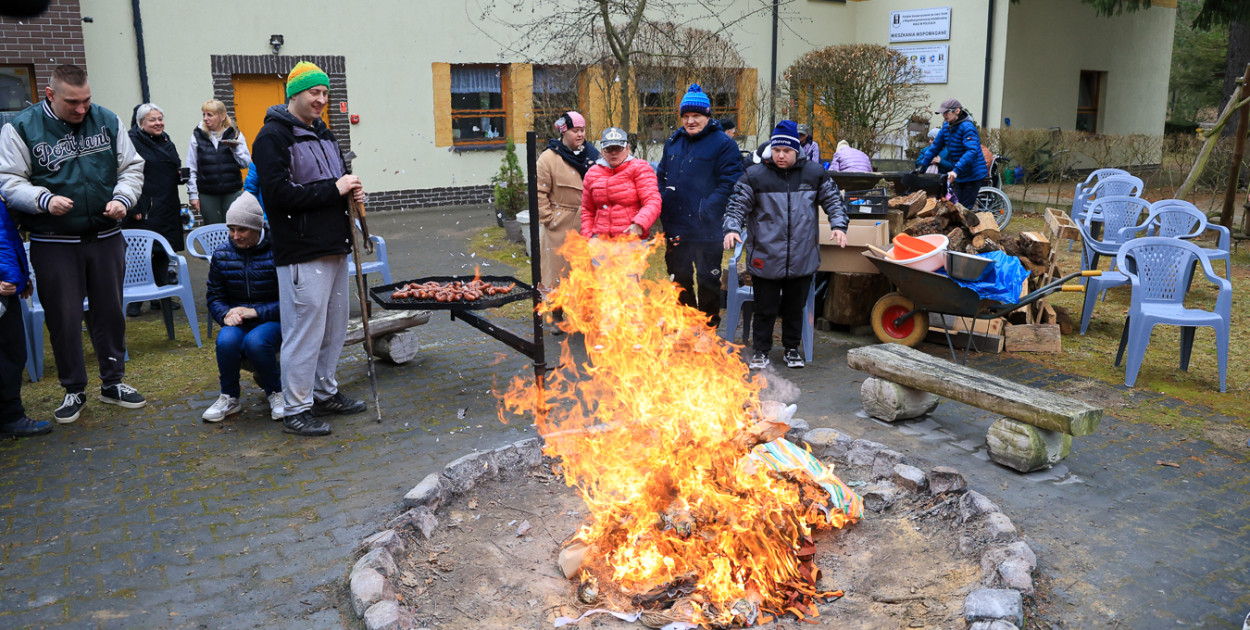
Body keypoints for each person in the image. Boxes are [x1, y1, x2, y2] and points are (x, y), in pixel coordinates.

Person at [0, 64, 147, 424]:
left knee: (110, 312)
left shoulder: (107, 119)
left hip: (106, 235)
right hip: (54, 240)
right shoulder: (20, 127)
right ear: (50, 95)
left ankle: (113, 382)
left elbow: (132, 167)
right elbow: (8, 179)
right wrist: (42, 199)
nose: (81, 110)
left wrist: (123, 198)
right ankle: (73, 388)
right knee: (63, 317)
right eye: (72, 103)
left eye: (86, 101)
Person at [252, 60, 367, 437]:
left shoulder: (325, 134)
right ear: (294, 94)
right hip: (301, 250)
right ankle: (296, 409)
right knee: (303, 331)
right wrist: (333, 190)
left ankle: (323, 392)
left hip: (335, 245)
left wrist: (350, 190)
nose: (320, 100)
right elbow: (278, 195)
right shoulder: (272, 137)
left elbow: (333, 183)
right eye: (313, 93)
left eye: (324, 93)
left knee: (333, 328)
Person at [723, 120, 848, 370]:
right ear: (771, 149)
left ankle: (792, 348)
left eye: (787, 151)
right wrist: (732, 228)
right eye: (777, 150)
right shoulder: (754, 176)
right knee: (765, 308)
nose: (781, 155)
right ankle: (761, 350)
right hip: (766, 255)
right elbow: (736, 205)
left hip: (803, 255)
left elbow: (834, 200)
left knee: (794, 307)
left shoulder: (814, 173)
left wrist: (838, 225)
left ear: (797, 151)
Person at [657, 84, 744, 328]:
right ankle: (689, 324)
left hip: (707, 228)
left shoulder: (724, 144)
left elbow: (730, 183)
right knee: (679, 279)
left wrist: (705, 209)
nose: (690, 121)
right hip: (676, 226)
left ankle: (708, 328)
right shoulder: (673, 141)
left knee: (708, 281)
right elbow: (661, 175)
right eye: (685, 116)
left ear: (707, 116)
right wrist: (665, 200)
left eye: (696, 116)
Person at [203, 192, 283, 423]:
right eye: (231, 229)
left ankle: (276, 393)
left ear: (257, 228)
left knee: (256, 342)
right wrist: (224, 314)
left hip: (274, 319)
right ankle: (229, 397)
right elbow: (214, 295)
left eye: (242, 230)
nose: (235, 236)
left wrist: (256, 312)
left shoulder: (277, 251)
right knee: (226, 340)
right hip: (239, 319)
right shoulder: (222, 254)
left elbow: (292, 297)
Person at [124, 103, 186, 317]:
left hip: (167, 203)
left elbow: (173, 164)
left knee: (161, 251)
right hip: (144, 206)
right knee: (139, 253)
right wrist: (132, 206)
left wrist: (180, 175)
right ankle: (135, 300)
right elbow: (123, 175)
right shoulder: (130, 142)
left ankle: (162, 298)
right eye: (153, 120)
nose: (158, 123)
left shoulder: (166, 139)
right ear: (141, 123)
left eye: (160, 118)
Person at [0, 194, 50, 436]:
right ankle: (11, 416)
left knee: (13, 351)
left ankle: (10, 416)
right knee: (8, 354)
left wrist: (21, 276)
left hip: (7, 287)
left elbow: (8, 236)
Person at [535, 111, 599, 291]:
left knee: (585, 274)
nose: (580, 134)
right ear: (563, 132)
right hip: (560, 225)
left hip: (587, 223)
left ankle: (580, 313)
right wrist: (549, 218)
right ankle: (556, 311)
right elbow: (539, 191)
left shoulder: (592, 155)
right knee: (558, 275)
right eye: (575, 130)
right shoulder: (548, 158)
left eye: (582, 130)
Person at [579, 127, 662, 239]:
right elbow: (587, 210)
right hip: (601, 242)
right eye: (609, 149)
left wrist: (639, 224)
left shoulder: (640, 168)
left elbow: (653, 201)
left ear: (627, 148)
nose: (614, 153)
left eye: (618, 148)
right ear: (602, 151)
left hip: (631, 239)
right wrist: (587, 236)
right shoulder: (592, 173)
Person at [187, 99, 250, 225]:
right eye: (204, 114)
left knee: (234, 227)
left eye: (210, 115)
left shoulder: (235, 134)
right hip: (208, 193)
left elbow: (246, 163)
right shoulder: (197, 135)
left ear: (222, 116)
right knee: (212, 230)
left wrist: (235, 148)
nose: (205, 118)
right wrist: (193, 194)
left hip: (232, 191)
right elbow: (191, 166)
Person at [915, 98, 987, 208]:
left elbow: (972, 151)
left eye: (946, 112)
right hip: (959, 173)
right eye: (943, 113)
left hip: (973, 174)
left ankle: (968, 224)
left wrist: (956, 170)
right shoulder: (946, 127)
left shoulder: (967, 128)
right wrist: (922, 166)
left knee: (964, 209)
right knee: (954, 206)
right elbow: (935, 147)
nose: (944, 115)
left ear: (957, 111)